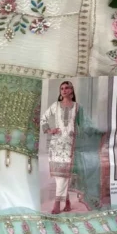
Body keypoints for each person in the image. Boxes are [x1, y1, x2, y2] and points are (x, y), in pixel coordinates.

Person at [41, 81, 79, 214]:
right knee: (59, 175)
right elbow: (43, 119)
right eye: (61, 88)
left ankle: (58, 202)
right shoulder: (55, 106)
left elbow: (83, 124)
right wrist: (49, 130)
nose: (64, 90)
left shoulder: (77, 107)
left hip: (70, 144)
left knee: (64, 174)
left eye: (67, 88)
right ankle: (65, 201)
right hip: (56, 144)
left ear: (72, 90)